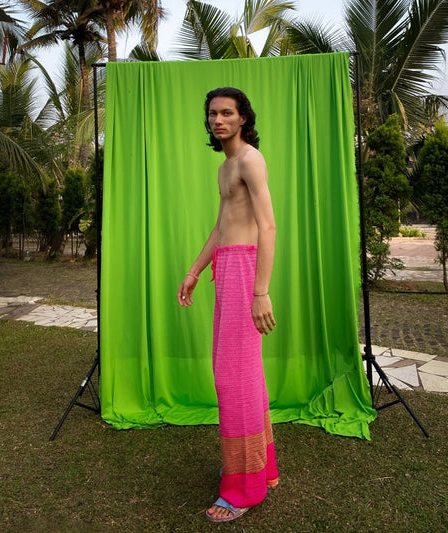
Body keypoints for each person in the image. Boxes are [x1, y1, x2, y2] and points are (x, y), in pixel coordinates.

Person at [177, 87, 279, 523]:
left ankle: (242, 488)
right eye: (213, 113)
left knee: (233, 377)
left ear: (242, 119)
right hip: (226, 268)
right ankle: (262, 468)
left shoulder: (250, 160)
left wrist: (260, 290)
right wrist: (195, 271)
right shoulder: (225, 166)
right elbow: (222, 228)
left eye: (227, 113)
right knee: (241, 373)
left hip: (244, 274)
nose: (218, 120)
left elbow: (268, 225)